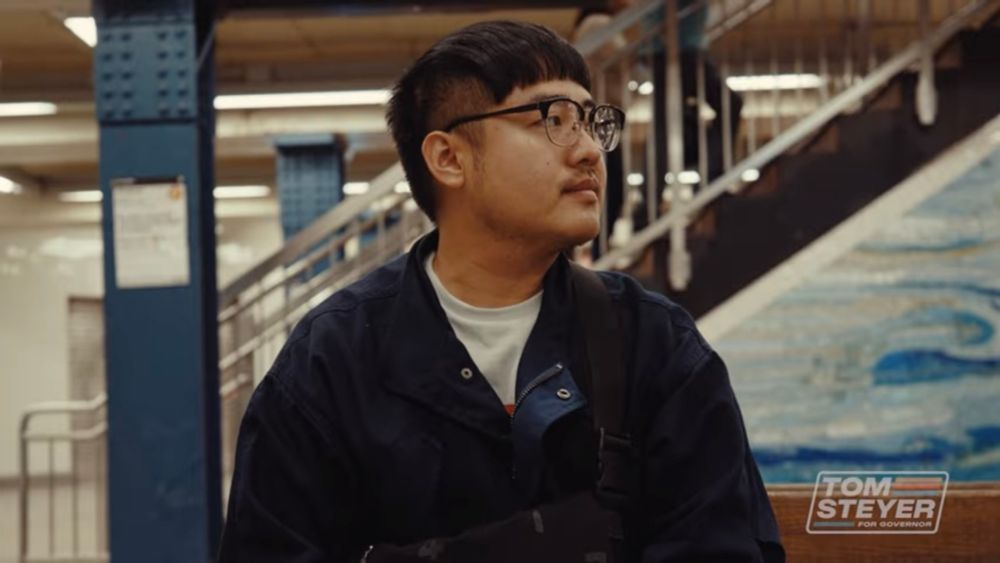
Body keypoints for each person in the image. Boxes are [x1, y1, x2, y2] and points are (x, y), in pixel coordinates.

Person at [218, 20, 783, 562]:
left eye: (590, 120)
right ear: (448, 158)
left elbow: (718, 543)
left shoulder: (652, 344)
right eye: (553, 118)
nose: (588, 149)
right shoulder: (333, 361)